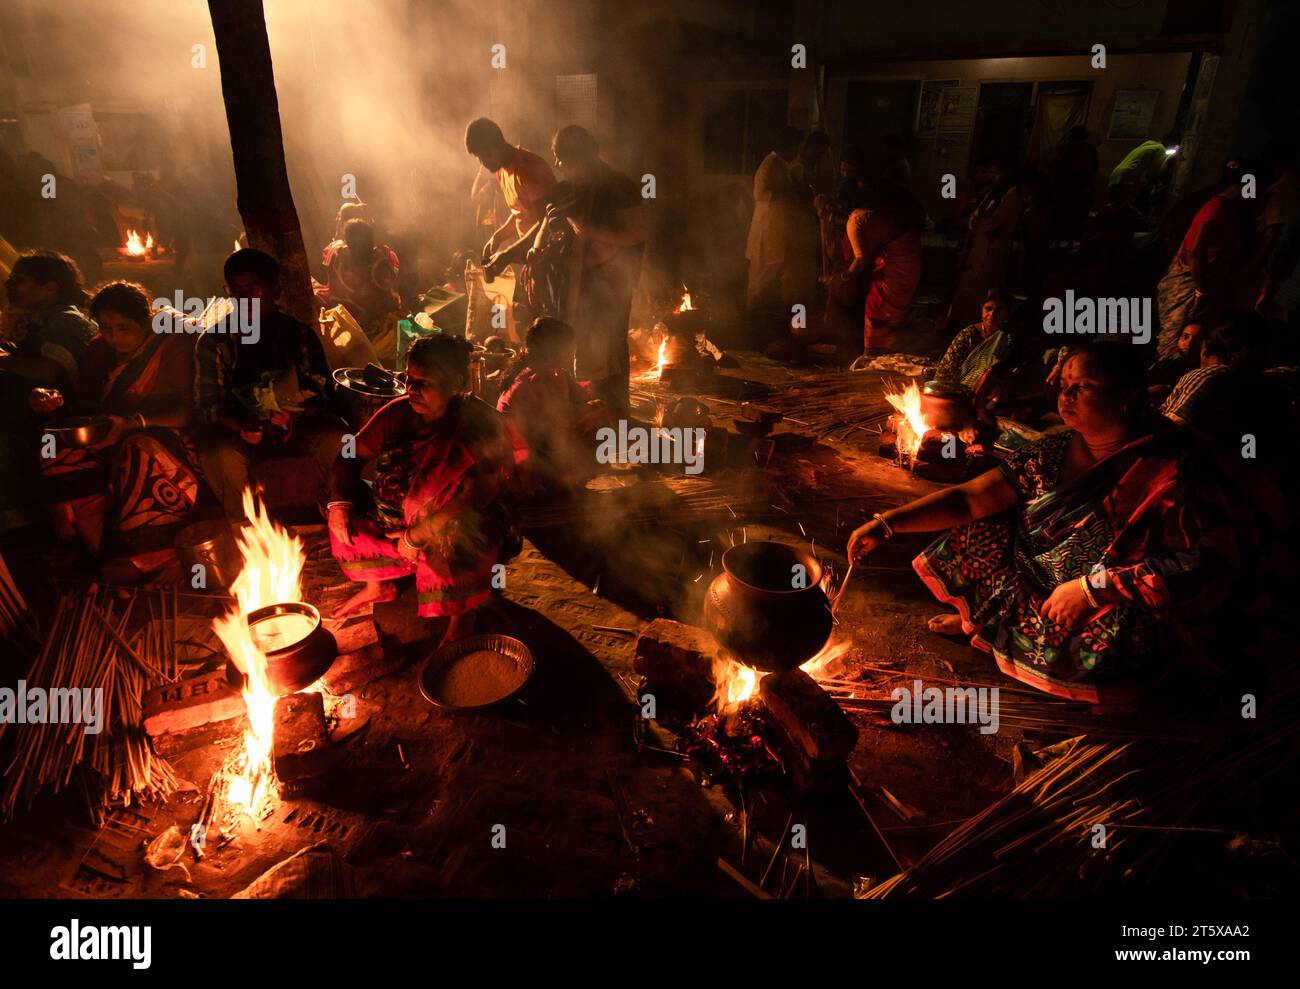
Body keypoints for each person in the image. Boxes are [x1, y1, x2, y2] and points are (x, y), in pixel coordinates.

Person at [848, 339, 1251, 704]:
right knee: (983, 526)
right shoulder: (1055, 449)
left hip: (1112, 602)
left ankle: (1090, 671)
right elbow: (971, 499)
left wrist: (1095, 589)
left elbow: (1208, 564)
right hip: (1043, 579)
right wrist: (886, 524)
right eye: (1064, 386)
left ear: (1126, 394)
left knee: (1115, 665)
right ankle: (984, 623)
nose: (1067, 396)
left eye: (1084, 386)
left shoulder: (1173, 469)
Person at [327, 334, 524, 642]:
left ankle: (462, 615)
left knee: (460, 536)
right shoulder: (397, 413)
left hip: (451, 524)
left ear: (456, 383)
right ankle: (378, 584)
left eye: (425, 382)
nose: (411, 390)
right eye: (408, 379)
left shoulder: (480, 424)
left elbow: (473, 496)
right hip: (396, 525)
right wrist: (338, 504)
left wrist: (415, 536)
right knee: (341, 509)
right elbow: (349, 455)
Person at [30, 281, 201, 582]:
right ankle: (97, 549)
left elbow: (190, 412)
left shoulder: (174, 345)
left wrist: (134, 422)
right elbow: (86, 407)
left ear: (146, 321)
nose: (114, 338)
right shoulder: (98, 350)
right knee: (53, 443)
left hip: (169, 436)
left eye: (123, 328)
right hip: (112, 431)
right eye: (106, 328)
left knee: (139, 450)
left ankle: (149, 554)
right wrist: (53, 402)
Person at [195, 248, 345, 520]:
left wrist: (296, 412)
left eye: (253, 290)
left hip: (297, 426)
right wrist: (242, 423)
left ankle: (337, 515)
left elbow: (323, 392)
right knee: (219, 453)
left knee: (338, 436)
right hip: (239, 434)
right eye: (236, 291)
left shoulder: (298, 335)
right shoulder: (215, 342)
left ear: (275, 290)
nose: (244, 300)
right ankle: (244, 532)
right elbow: (209, 406)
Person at [549, 125, 646, 420]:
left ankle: (614, 418)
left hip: (610, 287)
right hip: (583, 285)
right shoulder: (577, 188)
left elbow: (636, 232)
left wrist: (589, 232)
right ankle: (591, 417)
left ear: (578, 159)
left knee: (608, 353)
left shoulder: (619, 186)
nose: (558, 166)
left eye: (561, 159)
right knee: (587, 353)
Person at [1155, 159, 1255, 358]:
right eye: (1251, 186)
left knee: (1189, 337)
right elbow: (1195, 251)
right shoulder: (1216, 205)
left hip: (1199, 284)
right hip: (1187, 284)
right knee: (1175, 338)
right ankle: (1164, 377)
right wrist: (1202, 289)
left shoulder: (1230, 210)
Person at [496, 316, 602, 492]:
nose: (573, 352)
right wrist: (590, 411)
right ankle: (561, 482)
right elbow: (555, 424)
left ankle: (566, 479)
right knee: (590, 423)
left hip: (537, 448)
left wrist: (593, 405)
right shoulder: (535, 380)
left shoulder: (553, 373)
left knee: (594, 414)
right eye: (569, 347)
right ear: (554, 350)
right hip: (524, 463)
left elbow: (581, 399)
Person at [465, 118, 556, 279]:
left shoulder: (527, 167)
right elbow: (521, 213)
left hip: (550, 257)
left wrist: (507, 254)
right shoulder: (502, 170)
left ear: (496, 145)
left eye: (484, 156)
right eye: (479, 158)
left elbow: (547, 221)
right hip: (533, 258)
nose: (482, 162)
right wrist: (498, 237)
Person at [844, 182, 925, 355]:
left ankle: (873, 355)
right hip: (909, 252)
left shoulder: (855, 221)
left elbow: (861, 260)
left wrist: (845, 276)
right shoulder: (871, 215)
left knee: (880, 306)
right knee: (889, 306)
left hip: (901, 258)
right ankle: (884, 352)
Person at [948, 160, 1025, 329]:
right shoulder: (993, 193)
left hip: (993, 248)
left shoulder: (1013, 193)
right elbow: (976, 217)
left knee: (984, 286)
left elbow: (993, 221)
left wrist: (981, 222)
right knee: (969, 284)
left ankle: (978, 323)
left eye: (995, 172)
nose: (993, 176)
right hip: (979, 245)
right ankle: (960, 321)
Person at [745, 127, 804, 320]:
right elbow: (759, 194)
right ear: (789, 147)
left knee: (771, 273)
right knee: (761, 275)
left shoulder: (782, 165)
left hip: (776, 230)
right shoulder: (770, 164)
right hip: (766, 229)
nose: (798, 152)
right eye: (796, 147)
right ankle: (752, 316)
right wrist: (785, 193)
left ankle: (762, 316)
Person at [317, 217, 401, 335]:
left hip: (347, 320)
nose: (359, 244)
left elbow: (385, 299)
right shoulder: (380, 259)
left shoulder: (337, 254)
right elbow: (388, 299)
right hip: (363, 321)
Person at [933, 290, 1012, 392]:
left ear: (1006, 313)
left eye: (999, 310)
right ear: (981, 309)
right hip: (958, 392)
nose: (992, 314)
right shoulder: (968, 335)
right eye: (988, 309)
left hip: (989, 396)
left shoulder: (1008, 338)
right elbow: (945, 371)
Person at [1108, 131, 1178, 212]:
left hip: (1116, 174)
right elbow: (1153, 172)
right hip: (1127, 176)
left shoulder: (1150, 145)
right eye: (1175, 145)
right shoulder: (1160, 149)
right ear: (1171, 142)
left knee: (1113, 205)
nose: (1175, 147)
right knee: (1121, 209)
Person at [1147, 320, 1206, 402]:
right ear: (1179, 339)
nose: (1190, 342)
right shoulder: (1170, 361)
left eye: (1197, 339)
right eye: (1185, 336)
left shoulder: (1202, 368)